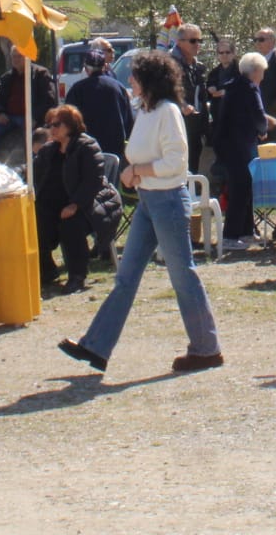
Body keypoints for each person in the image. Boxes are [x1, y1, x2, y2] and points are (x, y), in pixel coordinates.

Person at [58, 49, 225, 374]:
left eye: (135, 76)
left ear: (149, 80)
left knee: (182, 275)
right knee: (126, 277)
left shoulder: (168, 111)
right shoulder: (146, 111)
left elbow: (175, 163)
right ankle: (96, 346)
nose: (130, 80)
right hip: (149, 201)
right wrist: (136, 173)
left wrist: (137, 171)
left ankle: (207, 348)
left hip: (168, 201)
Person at [35, 105, 104, 292]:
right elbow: (33, 172)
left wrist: (75, 204)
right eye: (49, 125)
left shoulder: (87, 146)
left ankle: (77, 276)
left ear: (70, 125)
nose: (52, 129)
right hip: (52, 205)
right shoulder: (48, 150)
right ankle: (46, 271)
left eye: (57, 124)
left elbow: (93, 181)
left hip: (86, 205)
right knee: (34, 219)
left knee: (70, 223)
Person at [211, 51, 268, 252]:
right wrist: (263, 130)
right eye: (262, 71)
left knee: (245, 186)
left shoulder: (234, 86)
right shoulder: (250, 88)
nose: (263, 76)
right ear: (256, 71)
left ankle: (246, 231)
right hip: (239, 145)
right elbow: (259, 115)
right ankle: (230, 235)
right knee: (240, 188)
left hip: (229, 144)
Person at [0, 46, 58, 163]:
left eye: (19, 56)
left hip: (32, 118)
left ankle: (33, 165)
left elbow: (49, 100)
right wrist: (0, 113)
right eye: (13, 57)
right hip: (10, 118)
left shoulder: (40, 74)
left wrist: (35, 117)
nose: (16, 59)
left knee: (32, 136)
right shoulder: (7, 78)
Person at [64, 39, 131, 159]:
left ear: (86, 68)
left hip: (87, 149)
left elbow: (69, 120)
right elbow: (128, 121)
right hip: (114, 149)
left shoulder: (77, 89)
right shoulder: (118, 87)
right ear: (104, 66)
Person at [170, 23, 210, 175]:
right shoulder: (168, 63)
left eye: (200, 40)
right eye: (193, 41)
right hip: (176, 124)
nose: (197, 44)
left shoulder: (197, 66)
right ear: (179, 42)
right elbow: (163, 90)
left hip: (195, 126)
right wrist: (181, 105)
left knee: (193, 166)